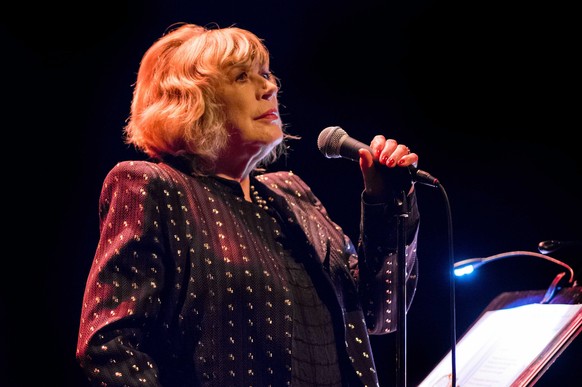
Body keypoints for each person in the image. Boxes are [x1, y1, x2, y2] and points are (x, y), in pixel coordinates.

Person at [76, 22, 421, 387]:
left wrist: (387, 204)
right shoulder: (155, 186)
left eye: (267, 75)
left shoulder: (293, 193)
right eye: (242, 77)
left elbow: (380, 312)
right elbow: (109, 347)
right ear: (190, 99)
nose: (269, 88)